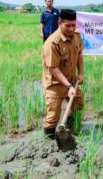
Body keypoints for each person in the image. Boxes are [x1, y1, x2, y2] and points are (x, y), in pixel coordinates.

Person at [42, 9, 84, 139]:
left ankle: (70, 130)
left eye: (74, 25)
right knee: (53, 116)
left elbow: (80, 54)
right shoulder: (52, 43)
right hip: (55, 84)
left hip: (71, 81)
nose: (71, 29)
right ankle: (49, 142)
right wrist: (68, 86)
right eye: (68, 25)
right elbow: (53, 69)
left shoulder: (76, 36)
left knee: (78, 104)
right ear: (60, 23)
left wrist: (80, 73)